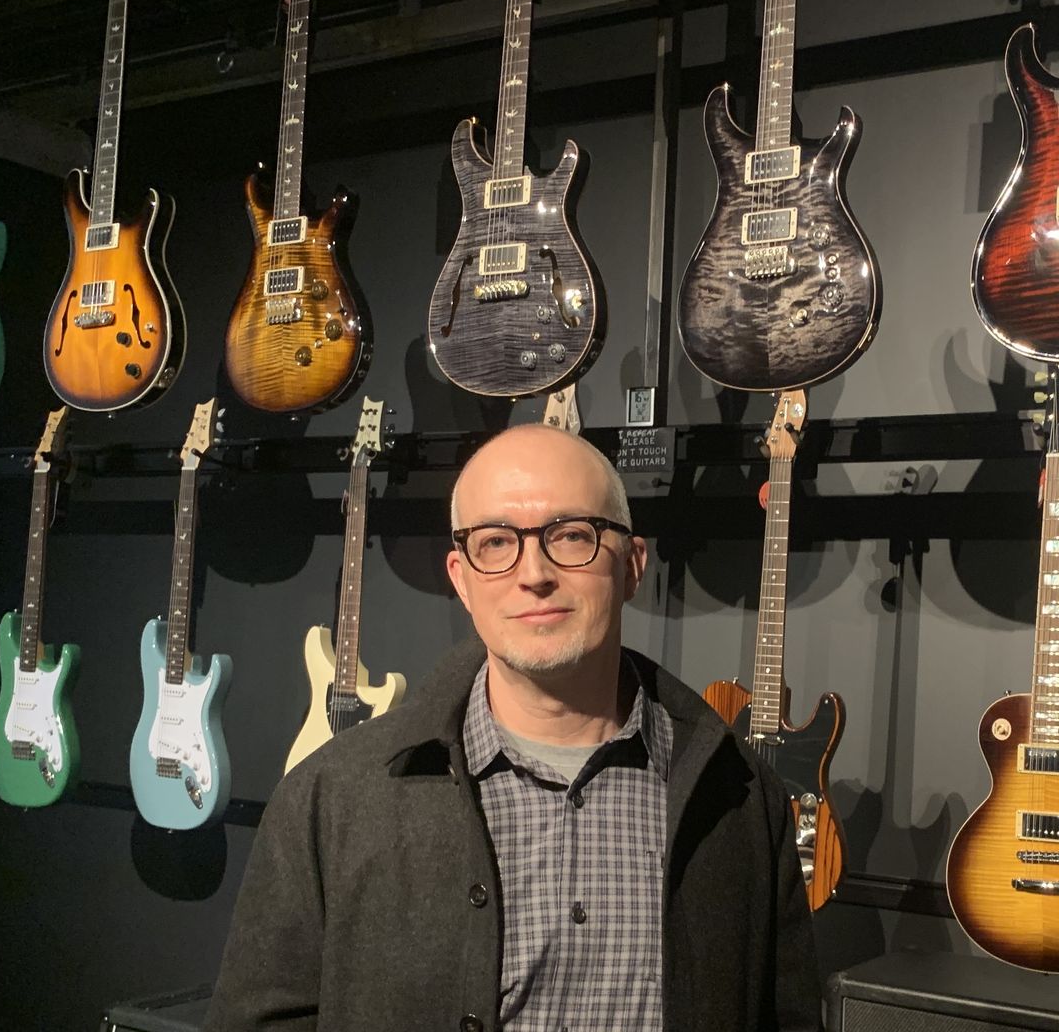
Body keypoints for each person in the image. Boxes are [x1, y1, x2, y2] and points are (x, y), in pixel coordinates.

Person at [206, 424, 820, 1031]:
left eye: (572, 534)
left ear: (633, 566)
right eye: (496, 543)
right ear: (461, 579)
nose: (534, 573)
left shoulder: (740, 797)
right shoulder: (330, 798)